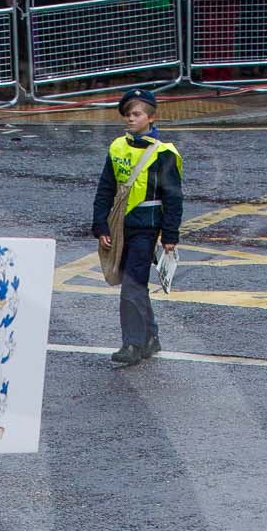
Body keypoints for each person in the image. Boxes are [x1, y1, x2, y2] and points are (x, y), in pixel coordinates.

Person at [89, 86, 181, 367]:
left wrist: (170, 233)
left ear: (151, 118)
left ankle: (133, 343)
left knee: (131, 285)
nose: (130, 118)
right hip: (121, 227)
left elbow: (173, 196)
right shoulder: (116, 147)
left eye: (136, 114)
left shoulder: (164, 153)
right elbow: (106, 188)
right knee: (136, 285)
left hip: (147, 227)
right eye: (127, 114)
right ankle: (151, 337)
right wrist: (101, 225)